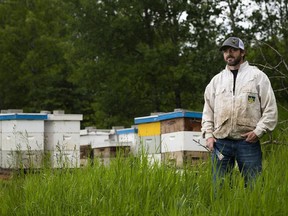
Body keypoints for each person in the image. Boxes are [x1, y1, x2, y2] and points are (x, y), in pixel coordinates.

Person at [201, 36, 278, 187]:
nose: (229, 54)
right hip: (221, 142)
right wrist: (209, 135)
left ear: (242, 52)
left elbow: (270, 109)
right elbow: (208, 112)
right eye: (225, 51)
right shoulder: (216, 81)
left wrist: (258, 131)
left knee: (254, 188)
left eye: (233, 50)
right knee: (220, 188)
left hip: (248, 142)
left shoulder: (257, 77)